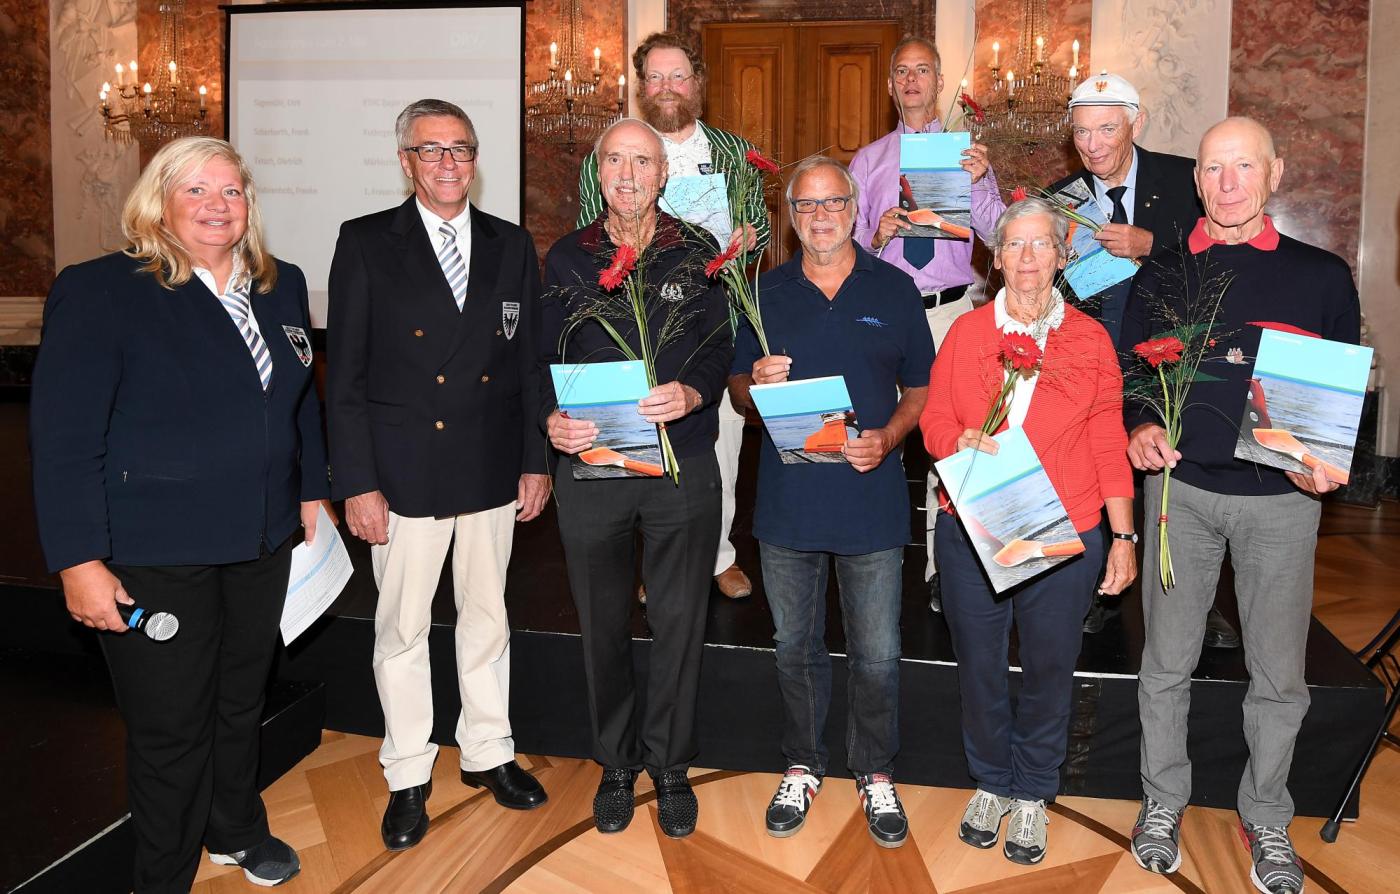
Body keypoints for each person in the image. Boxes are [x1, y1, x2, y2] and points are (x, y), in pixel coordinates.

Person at [31, 136, 330, 891]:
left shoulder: (280, 284)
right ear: (158, 202)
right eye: (195, 189)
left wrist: (310, 489)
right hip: (154, 551)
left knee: (240, 700)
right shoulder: (102, 290)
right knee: (170, 726)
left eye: (230, 191)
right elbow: (65, 440)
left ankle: (235, 828)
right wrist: (78, 560)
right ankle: (162, 877)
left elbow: (299, 402)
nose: (216, 206)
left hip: (262, 541)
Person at [1123, 117, 1358, 894]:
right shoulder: (1162, 273)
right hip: (1180, 493)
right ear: (1196, 181)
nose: (1228, 184)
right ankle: (1163, 801)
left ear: (1274, 174)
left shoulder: (1322, 278)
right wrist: (1142, 424)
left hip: (1281, 505)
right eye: (1213, 169)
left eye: (1244, 167)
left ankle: (1265, 816)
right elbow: (1132, 373)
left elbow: (1333, 401)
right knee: (1165, 662)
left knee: (1279, 675)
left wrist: (1324, 464)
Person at [326, 99, 550, 852]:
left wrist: (534, 461)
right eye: (432, 150)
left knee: (488, 617)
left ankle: (488, 750)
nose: (449, 163)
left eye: (461, 149)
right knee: (402, 628)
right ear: (406, 161)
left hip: (490, 464)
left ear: (476, 160)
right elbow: (344, 378)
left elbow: (529, 365)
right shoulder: (365, 242)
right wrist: (357, 483)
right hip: (403, 472)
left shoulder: (510, 242)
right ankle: (407, 772)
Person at [919, 197, 1136, 864]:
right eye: (1015, 244)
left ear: (1063, 256)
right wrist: (955, 439)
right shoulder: (967, 332)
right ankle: (990, 781)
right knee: (980, 666)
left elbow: (1107, 439)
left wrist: (1123, 536)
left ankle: (1035, 790)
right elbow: (932, 420)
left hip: (1064, 525)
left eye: (1042, 244)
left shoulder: (1090, 340)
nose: (1028, 257)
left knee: (1049, 666)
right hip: (974, 522)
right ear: (997, 257)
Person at [729, 156, 934, 848]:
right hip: (787, 502)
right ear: (791, 217)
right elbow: (736, 389)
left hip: (871, 499)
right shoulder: (763, 291)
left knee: (877, 652)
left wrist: (890, 437)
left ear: (855, 208)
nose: (821, 216)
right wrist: (752, 383)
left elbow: (921, 389)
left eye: (834, 202)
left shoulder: (895, 289)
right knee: (795, 648)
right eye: (807, 205)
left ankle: (874, 770)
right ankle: (803, 764)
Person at [544, 118, 732, 838]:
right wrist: (550, 420)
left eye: (642, 161)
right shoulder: (568, 257)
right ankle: (617, 763)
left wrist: (694, 391)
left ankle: (671, 765)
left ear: (663, 174)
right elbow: (540, 358)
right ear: (599, 172)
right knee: (601, 622)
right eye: (616, 161)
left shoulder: (699, 249)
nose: (628, 174)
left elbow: (720, 345)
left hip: (681, 463)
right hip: (593, 465)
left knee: (680, 620)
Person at [578, 31, 770, 602]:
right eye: (655, 77)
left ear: (697, 83)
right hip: (636, 328)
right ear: (642, 87)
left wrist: (747, 239)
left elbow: (760, 228)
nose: (667, 87)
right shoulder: (609, 154)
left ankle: (718, 555)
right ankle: (652, 565)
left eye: (678, 76)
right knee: (638, 445)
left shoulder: (734, 153)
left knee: (721, 445)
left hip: (716, 323)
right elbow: (590, 238)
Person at [1051, 71, 1237, 646]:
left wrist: (1151, 244)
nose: (1092, 145)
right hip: (1094, 357)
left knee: (1174, 471)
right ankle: (1099, 592)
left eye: (1106, 129)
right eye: (1082, 132)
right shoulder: (1063, 197)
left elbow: (1226, 253)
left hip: (1172, 355)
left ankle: (1194, 598)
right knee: (1096, 470)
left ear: (1138, 122)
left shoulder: (1187, 178)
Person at [848, 36, 1006, 615]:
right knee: (879, 434)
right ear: (889, 85)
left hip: (949, 313)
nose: (912, 80)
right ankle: (874, 554)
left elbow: (1000, 236)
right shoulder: (867, 162)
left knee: (954, 443)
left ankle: (945, 570)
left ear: (940, 82)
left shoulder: (968, 157)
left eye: (922, 70)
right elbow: (840, 251)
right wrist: (876, 235)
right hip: (885, 315)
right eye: (901, 71)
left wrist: (981, 182)